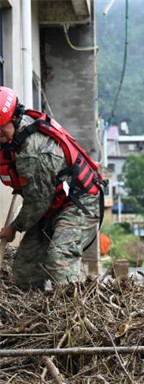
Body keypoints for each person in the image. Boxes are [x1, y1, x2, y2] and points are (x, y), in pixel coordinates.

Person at [0, 86, 103, 289]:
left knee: (59, 259)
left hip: (77, 203)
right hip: (51, 204)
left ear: (14, 117)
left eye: (0, 126)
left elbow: (38, 201)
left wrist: (14, 227)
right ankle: (35, 314)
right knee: (25, 268)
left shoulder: (31, 151)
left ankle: (71, 315)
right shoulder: (12, 137)